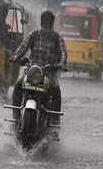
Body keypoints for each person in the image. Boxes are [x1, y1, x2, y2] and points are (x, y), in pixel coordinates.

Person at [9, 11, 67, 140]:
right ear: (41, 23)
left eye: (48, 24)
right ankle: (15, 116)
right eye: (44, 23)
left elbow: (63, 53)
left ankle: (54, 124)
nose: (46, 26)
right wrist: (16, 56)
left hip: (49, 73)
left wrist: (61, 63)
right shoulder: (33, 34)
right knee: (18, 86)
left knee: (56, 92)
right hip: (32, 71)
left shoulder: (58, 38)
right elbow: (23, 47)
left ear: (51, 24)